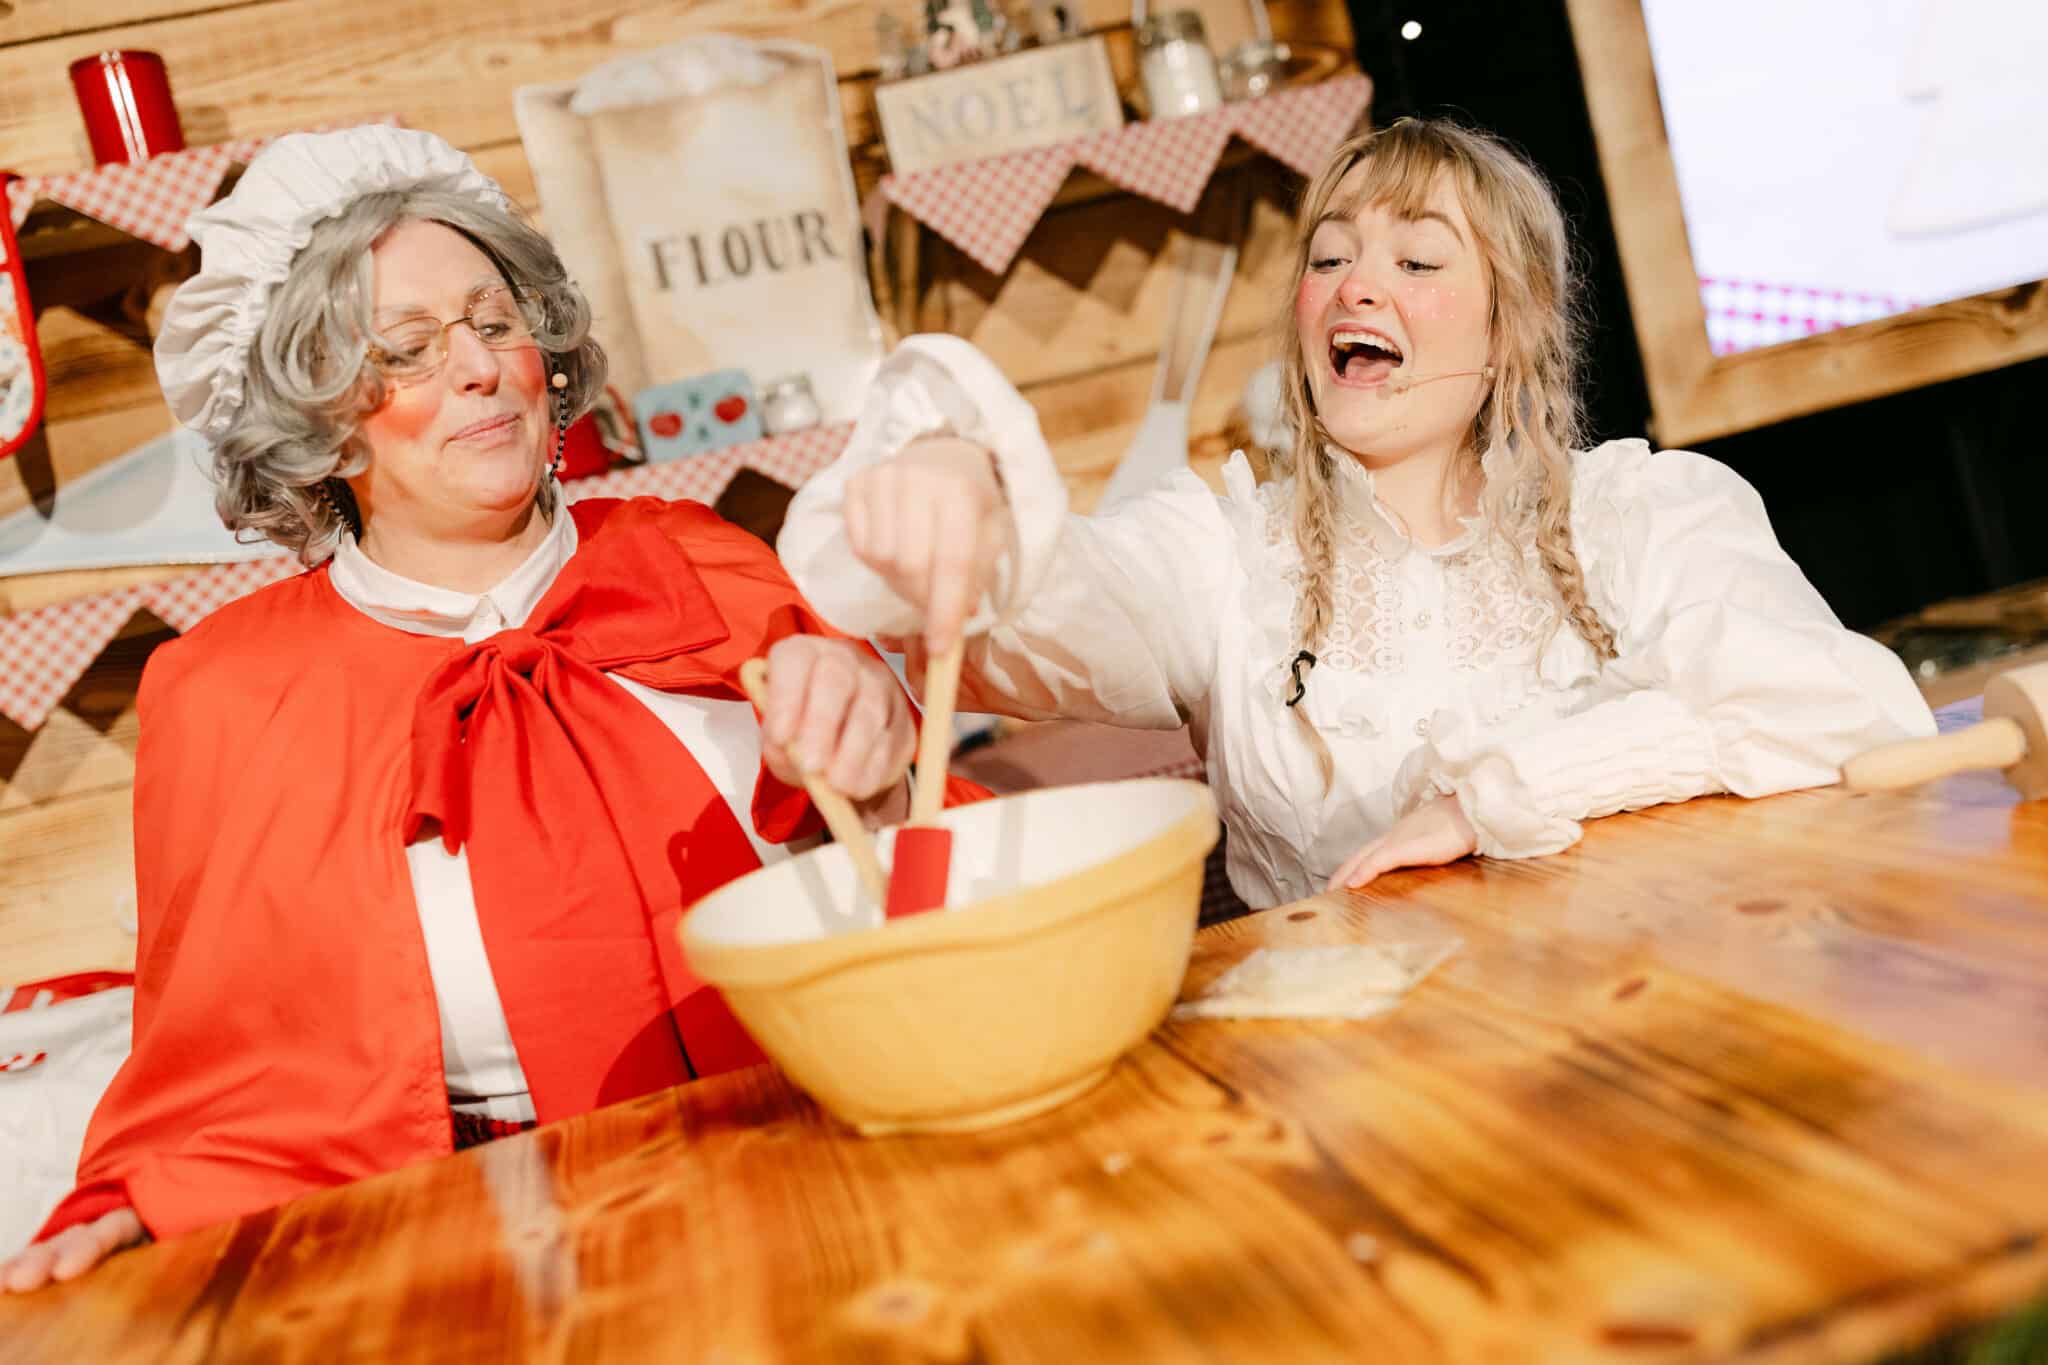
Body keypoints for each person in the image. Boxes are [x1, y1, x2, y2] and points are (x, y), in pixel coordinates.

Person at [2, 125, 977, 1291]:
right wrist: (135, 1201)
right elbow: (218, 1061)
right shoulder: (223, 694)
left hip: (830, 1146)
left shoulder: (696, 558)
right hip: (467, 1246)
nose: (475, 367)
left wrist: (878, 777)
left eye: (494, 321)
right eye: (405, 350)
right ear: (318, 425)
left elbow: (933, 893)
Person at [778, 116, 1935, 909]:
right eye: (1328, 257)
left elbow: (1844, 708)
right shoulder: (1222, 554)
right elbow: (1029, 614)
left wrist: (1499, 801)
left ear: (1509, 332)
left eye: (1417, 262)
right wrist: (953, 464)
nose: (1355, 286)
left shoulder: (1646, 513)